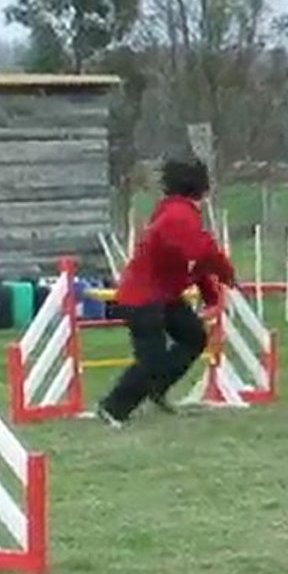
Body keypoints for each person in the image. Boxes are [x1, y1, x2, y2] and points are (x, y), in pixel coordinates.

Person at [96, 156, 236, 427]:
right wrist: (227, 275)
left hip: (164, 295)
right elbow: (203, 253)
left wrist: (211, 294)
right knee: (152, 358)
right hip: (142, 298)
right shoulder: (178, 216)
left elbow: (191, 263)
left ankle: (156, 389)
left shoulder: (176, 212)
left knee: (193, 336)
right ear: (203, 188)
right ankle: (113, 408)